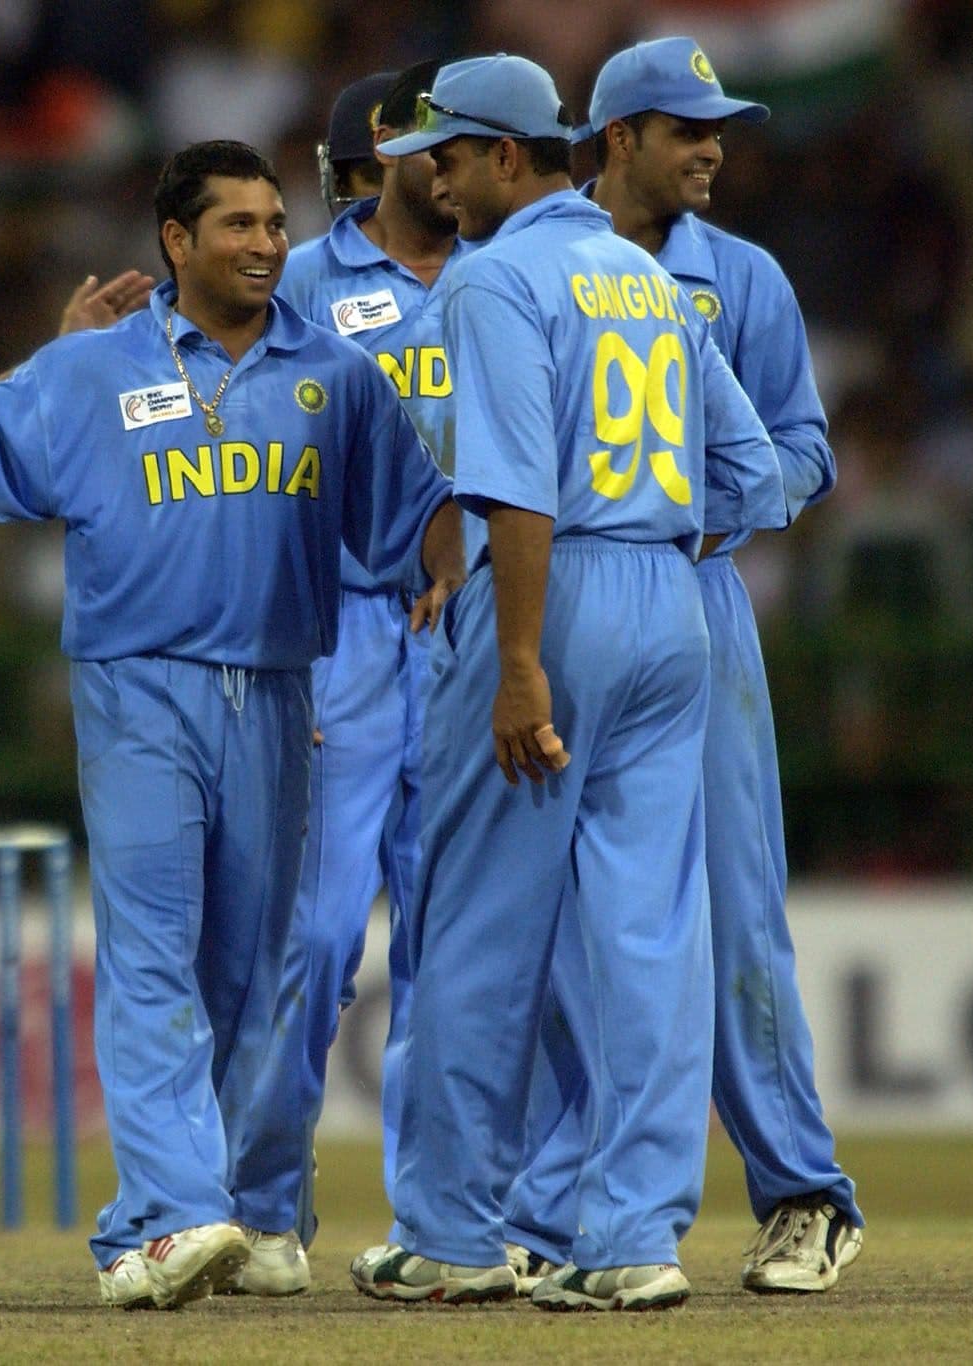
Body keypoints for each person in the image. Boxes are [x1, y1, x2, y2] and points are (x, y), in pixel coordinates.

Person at [0, 139, 464, 1311]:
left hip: (281, 695)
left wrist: (459, 567)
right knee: (154, 954)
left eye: (277, 223)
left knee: (250, 972)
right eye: (239, 224)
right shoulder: (89, 372)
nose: (268, 244)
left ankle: (211, 1210)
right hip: (140, 691)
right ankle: (163, 1221)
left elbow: (421, 512)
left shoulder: (337, 374)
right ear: (176, 239)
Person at [344, 54, 786, 1312]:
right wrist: (651, 544)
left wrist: (525, 660)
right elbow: (755, 474)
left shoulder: (494, 279)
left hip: (550, 595)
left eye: (445, 155)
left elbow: (515, 490)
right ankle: (633, 1237)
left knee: (478, 924)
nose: (432, 178)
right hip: (670, 603)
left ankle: (454, 1231)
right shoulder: (651, 278)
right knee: (652, 934)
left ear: (504, 154)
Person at [500, 36, 857, 1297]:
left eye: (721, 131)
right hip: (551, 589)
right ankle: (565, 1209)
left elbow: (802, 449)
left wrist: (691, 515)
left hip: (687, 595)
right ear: (619, 137)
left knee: (734, 911)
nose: (713, 151)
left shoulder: (740, 277)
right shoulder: (538, 261)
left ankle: (803, 1192)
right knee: (560, 925)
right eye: (689, 129)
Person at [225, 58, 464, 1296]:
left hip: (479, 623)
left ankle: (443, 1219)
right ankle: (268, 1205)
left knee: (456, 946)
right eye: (388, 159)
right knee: (313, 938)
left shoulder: (503, 270)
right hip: (346, 633)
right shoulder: (308, 280)